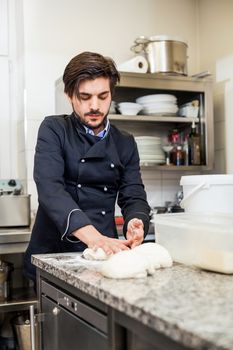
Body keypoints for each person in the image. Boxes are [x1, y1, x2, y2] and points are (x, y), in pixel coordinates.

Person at [24, 51, 151, 283]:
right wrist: (94, 238)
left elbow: (133, 194)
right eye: (85, 97)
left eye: (103, 96)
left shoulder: (125, 142)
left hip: (104, 256)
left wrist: (137, 221)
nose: (95, 106)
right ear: (69, 95)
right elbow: (50, 190)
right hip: (54, 253)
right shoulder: (54, 129)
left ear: (111, 94)